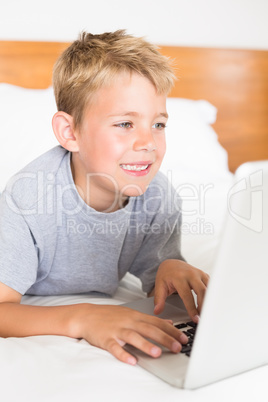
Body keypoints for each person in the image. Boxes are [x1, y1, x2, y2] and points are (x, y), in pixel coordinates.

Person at [0, 30, 209, 366]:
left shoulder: (158, 196)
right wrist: (84, 317)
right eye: (125, 123)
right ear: (70, 133)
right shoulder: (27, 198)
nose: (148, 143)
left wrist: (170, 268)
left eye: (158, 124)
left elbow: (157, 280)